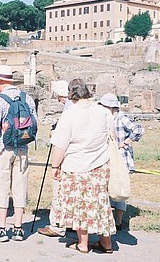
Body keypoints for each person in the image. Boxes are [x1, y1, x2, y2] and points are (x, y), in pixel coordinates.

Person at [50, 78, 116, 254]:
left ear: (71, 93)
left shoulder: (70, 114)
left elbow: (60, 145)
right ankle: (106, 243)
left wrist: (55, 166)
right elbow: (112, 136)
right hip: (100, 164)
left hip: (76, 165)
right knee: (101, 202)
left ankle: (83, 243)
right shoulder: (103, 112)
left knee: (80, 205)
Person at [0, 65, 37, 243]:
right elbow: (34, 124)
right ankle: (18, 228)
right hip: (22, 148)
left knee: (1, 187)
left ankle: (1, 228)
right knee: (20, 186)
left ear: (0, 82)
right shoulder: (28, 98)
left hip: (3, 148)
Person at [99, 93, 144, 230]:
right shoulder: (106, 118)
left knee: (119, 189)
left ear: (111, 107)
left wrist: (125, 142)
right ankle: (108, 219)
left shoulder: (121, 118)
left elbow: (138, 129)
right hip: (108, 157)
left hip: (121, 158)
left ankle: (118, 221)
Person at [37, 79, 72, 238]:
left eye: (59, 97)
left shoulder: (69, 110)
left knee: (59, 192)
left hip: (66, 158)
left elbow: (62, 140)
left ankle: (57, 225)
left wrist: (55, 166)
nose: (59, 101)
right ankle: (70, 222)